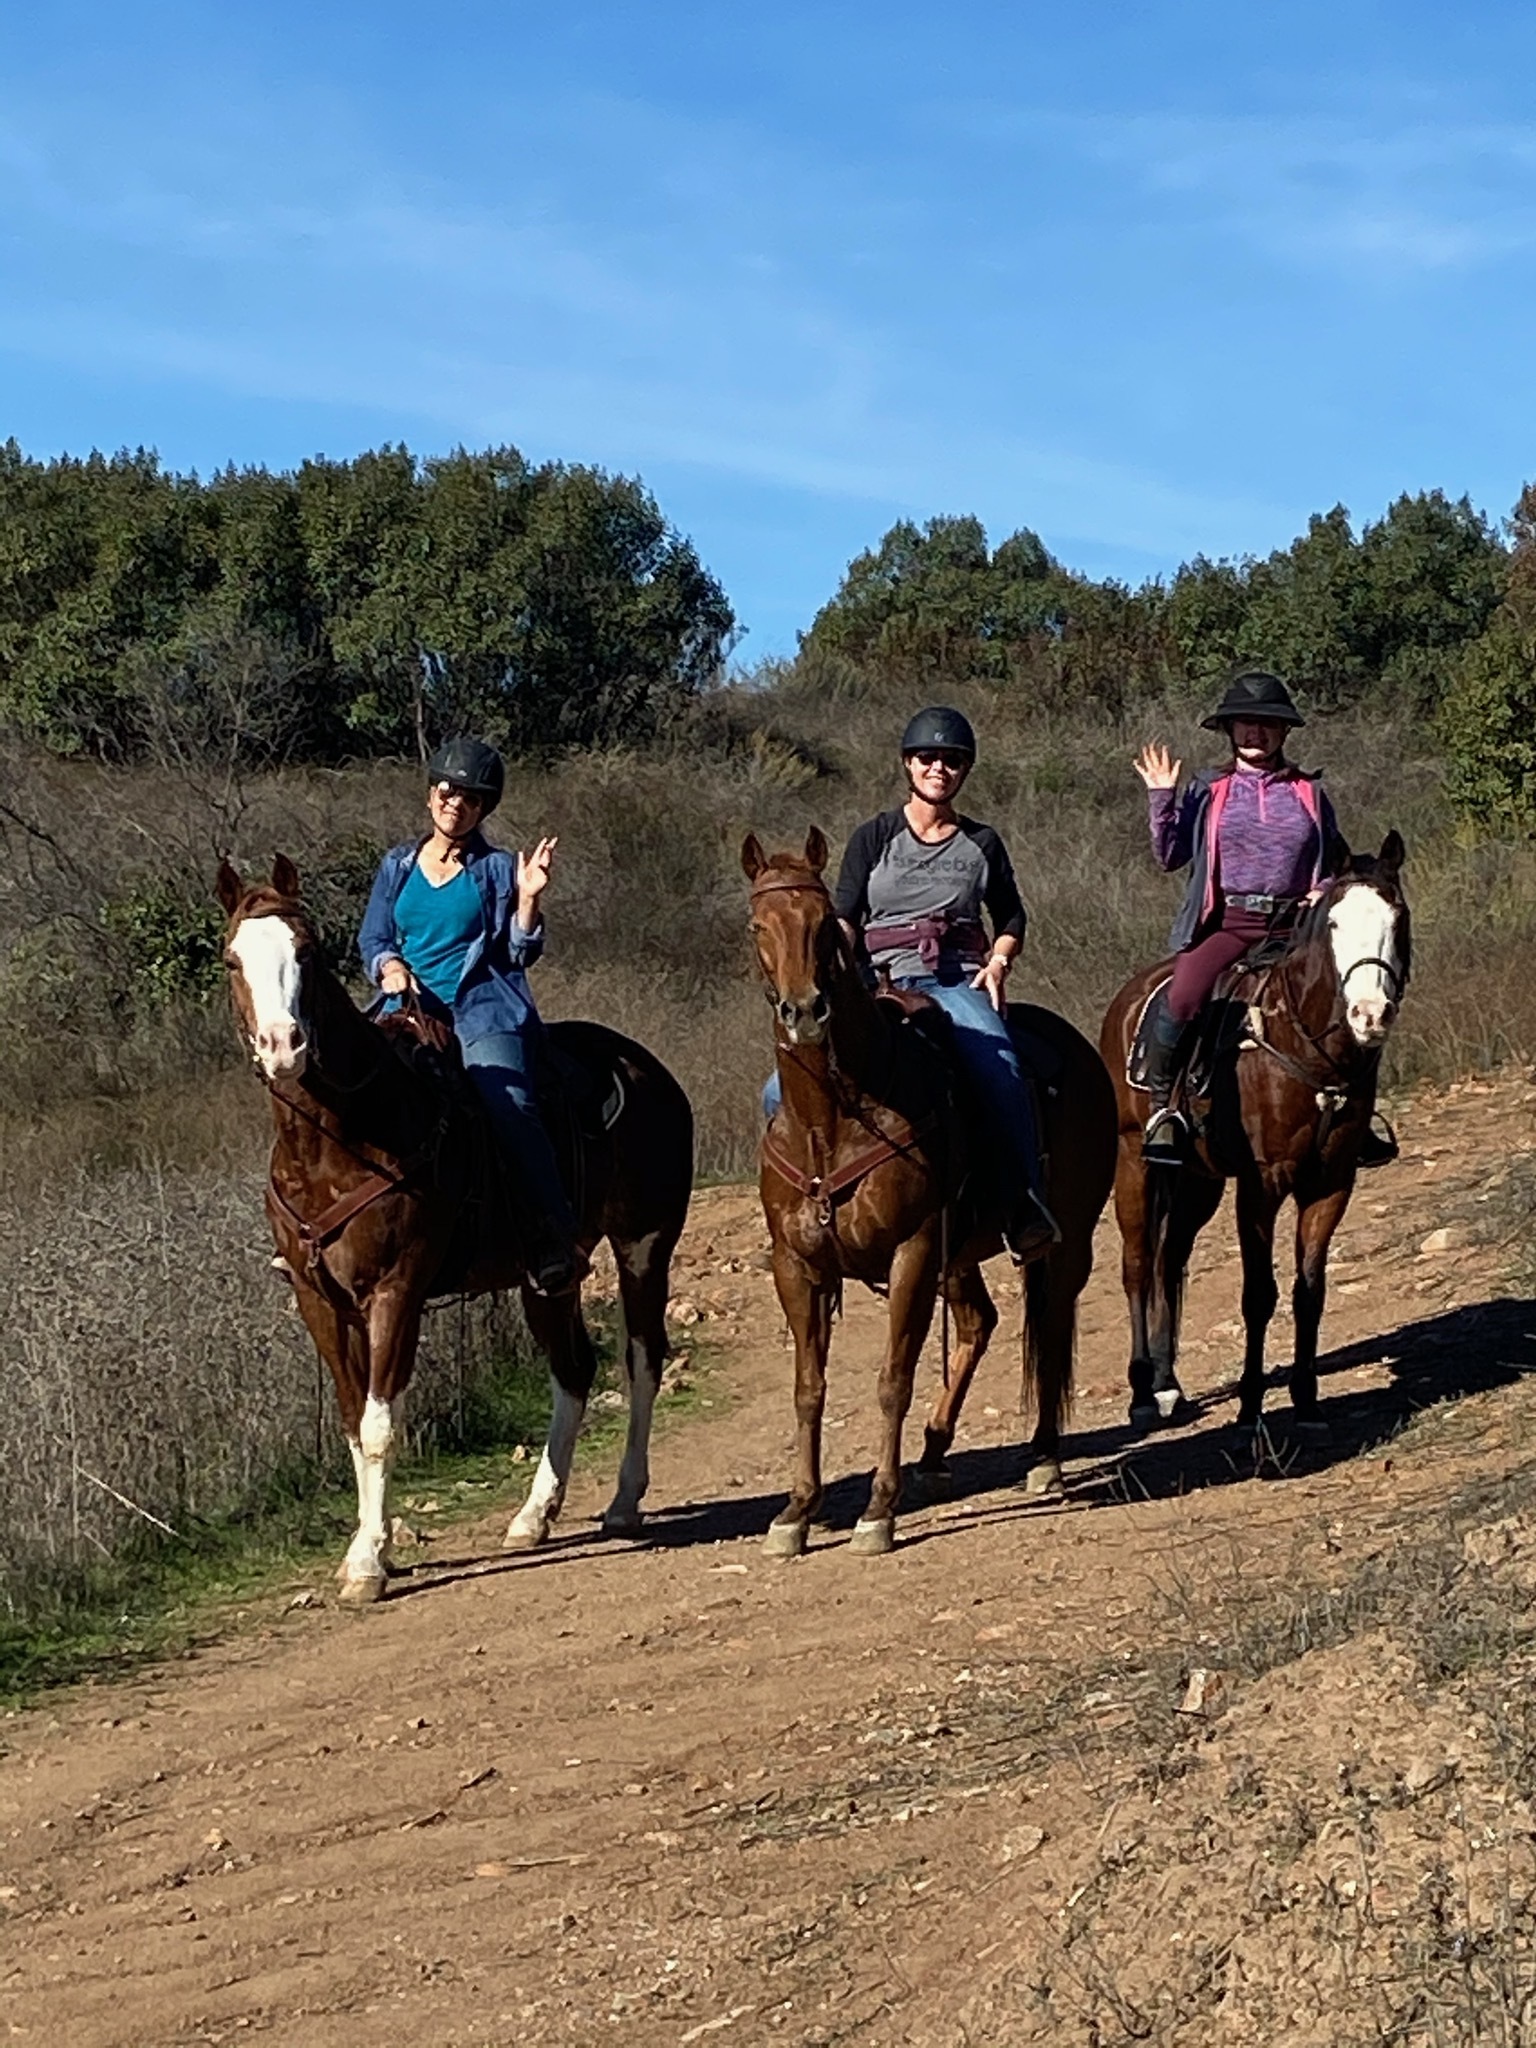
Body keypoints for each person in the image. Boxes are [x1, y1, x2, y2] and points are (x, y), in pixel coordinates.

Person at [767, 706, 1058, 1262]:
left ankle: (1021, 1202)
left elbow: (1011, 916)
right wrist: (830, 971)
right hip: (877, 983)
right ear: (908, 763)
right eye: (928, 757)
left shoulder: (982, 843)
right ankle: (796, 1206)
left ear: (964, 770)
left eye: (951, 760)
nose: (938, 768)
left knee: (1001, 1069)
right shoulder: (874, 836)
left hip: (952, 980)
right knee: (775, 1091)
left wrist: (998, 962)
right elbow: (846, 916)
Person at [358, 736, 585, 1296]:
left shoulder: (499, 869)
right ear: (430, 794)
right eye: (447, 791)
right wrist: (389, 965)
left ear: (482, 810)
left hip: (481, 1010)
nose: (455, 804)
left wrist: (528, 899)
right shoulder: (397, 864)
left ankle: (551, 1236)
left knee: (509, 1104)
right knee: (348, 1084)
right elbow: (374, 937)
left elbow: (519, 952)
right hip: (406, 1009)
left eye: (470, 799)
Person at [1133, 669, 1348, 1163]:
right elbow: (1169, 857)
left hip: (1296, 926)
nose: (1256, 732)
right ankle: (1164, 1109)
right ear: (1229, 730)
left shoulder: (1309, 792)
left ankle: (1356, 1113)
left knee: (1352, 995)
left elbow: (1335, 860)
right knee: (1183, 997)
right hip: (1228, 921)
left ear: (1284, 731)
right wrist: (1162, 798)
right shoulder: (1209, 788)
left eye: (1267, 723)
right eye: (1245, 722)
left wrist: (1321, 890)